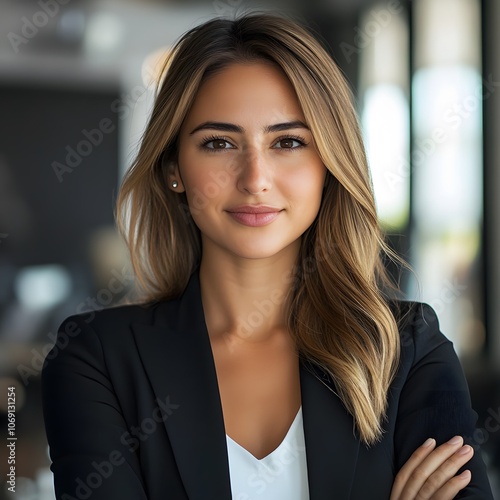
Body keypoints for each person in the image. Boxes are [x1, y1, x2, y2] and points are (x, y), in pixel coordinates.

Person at [42, 12, 494, 500]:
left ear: (328, 164)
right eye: (218, 143)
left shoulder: (407, 350)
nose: (255, 178)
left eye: (288, 142)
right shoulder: (97, 360)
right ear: (174, 166)